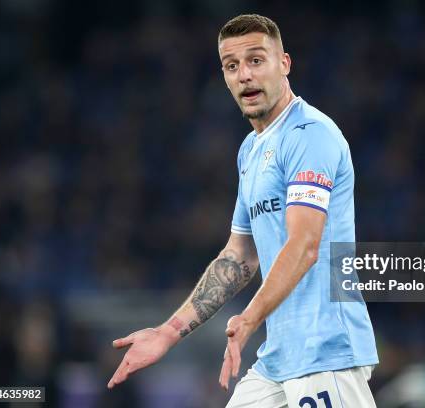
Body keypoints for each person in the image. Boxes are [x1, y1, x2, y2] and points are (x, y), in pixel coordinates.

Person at [108, 14, 378, 407]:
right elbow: (240, 255)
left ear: (283, 64)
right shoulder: (251, 150)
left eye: (256, 60)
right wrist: (168, 332)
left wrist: (248, 319)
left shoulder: (310, 136)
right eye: (232, 66)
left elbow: (305, 245)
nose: (244, 75)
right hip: (279, 359)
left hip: (326, 351)